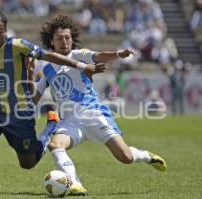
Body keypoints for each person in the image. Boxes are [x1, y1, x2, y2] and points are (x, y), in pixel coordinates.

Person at [0, 10, 103, 195]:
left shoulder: (18, 45)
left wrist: (80, 65)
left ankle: (50, 127)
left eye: (0, 31)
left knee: (28, 163)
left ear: (6, 31)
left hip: (20, 113)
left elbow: (48, 55)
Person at [31, 15, 167, 196]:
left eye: (67, 38)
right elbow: (34, 98)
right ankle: (75, 184)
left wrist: (118, 54)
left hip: (92, 114)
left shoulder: (79, 55)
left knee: (125, 157)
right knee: (55, 145)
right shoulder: (46, 68)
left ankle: (144, 155)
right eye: (59, 38)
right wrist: (28, 75)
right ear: (51, 42)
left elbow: (98, 56)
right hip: (69, 122)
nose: (64, 42)